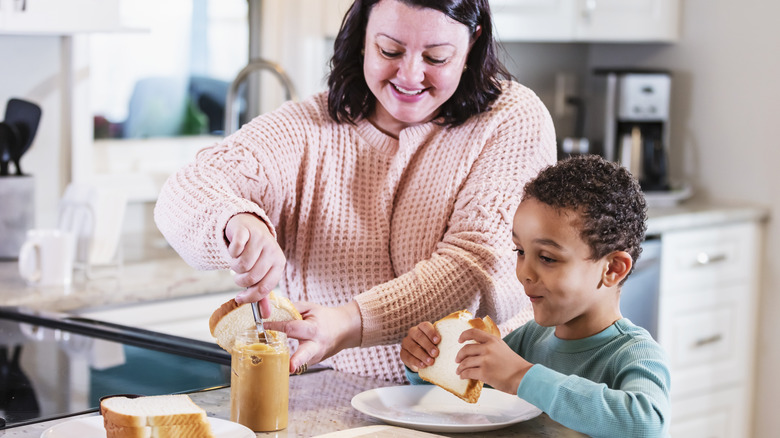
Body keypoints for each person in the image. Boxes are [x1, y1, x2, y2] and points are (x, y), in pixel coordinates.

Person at [154, 0, 556, 383]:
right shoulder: (307, 128)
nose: (410, 75)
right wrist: (235, 220)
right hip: (340, 397)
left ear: (472, 44)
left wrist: (351, 322)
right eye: (390, 50)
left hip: (483, 403)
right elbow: (188, 189)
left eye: (436, 57)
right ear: (364, 36)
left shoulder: (510, 118)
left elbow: (481, 265)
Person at [401, 155, 671, 437]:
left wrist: (521, 376)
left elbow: (644, 424)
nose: (524, 273)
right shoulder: (528, 340)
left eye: (547, 258)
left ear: (613, 269)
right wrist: (423, 365)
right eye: (520, 251)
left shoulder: (635, 355)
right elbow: (470, 400)